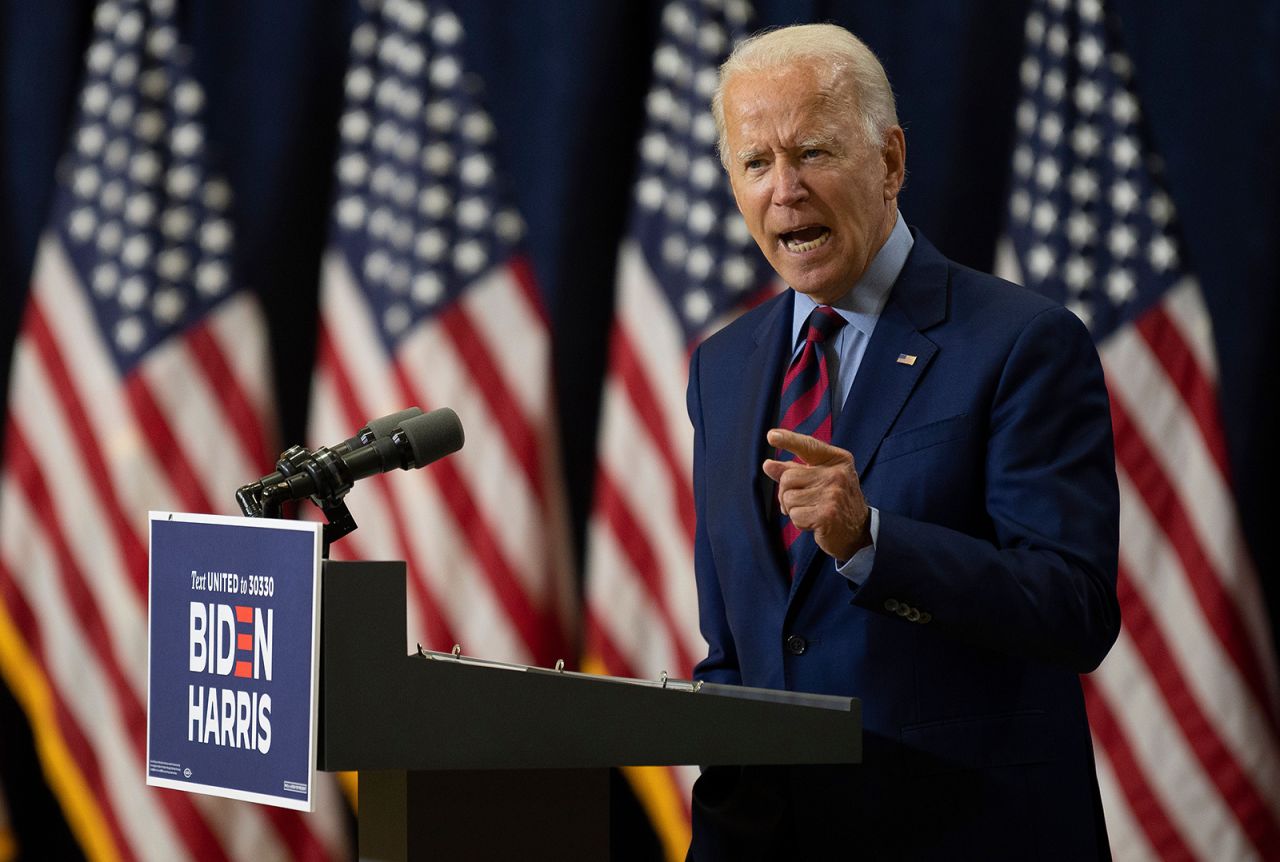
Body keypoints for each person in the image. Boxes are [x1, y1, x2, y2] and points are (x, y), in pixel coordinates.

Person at [685, 23, 1121, 860]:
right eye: (755, 163)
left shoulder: (1021, 342)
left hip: (965, 832)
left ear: (889, 162)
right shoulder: (723, 367)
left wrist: (871, 542)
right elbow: (733, 649)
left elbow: (1074, 610)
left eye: (811, 152)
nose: (785, 190)